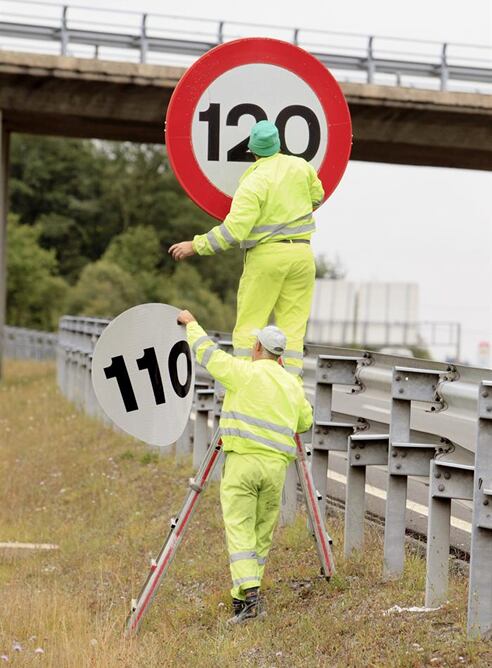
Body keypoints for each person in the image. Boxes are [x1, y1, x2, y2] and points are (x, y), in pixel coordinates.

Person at [177, 308, 313, 624]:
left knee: (239, 529)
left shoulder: (244, 372)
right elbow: (305, 421)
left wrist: (192, 324)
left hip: (242, 464)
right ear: (280, 357)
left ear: (256, 349)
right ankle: (243, 601)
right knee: (261, 534)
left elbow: (207, 355)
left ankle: (250, 599)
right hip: (276, 469)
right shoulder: (292, 384)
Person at [170, 120, 324, 379]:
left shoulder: (253, 182)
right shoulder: (301, 167)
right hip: (302, 256)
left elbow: (234, 232)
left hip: (266, 258)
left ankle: (245, 382)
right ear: (278, 145)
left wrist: (195, 246)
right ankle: (290, 385)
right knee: (293, 330)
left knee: (250, 327)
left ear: (252, 151)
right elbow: (317, 196)